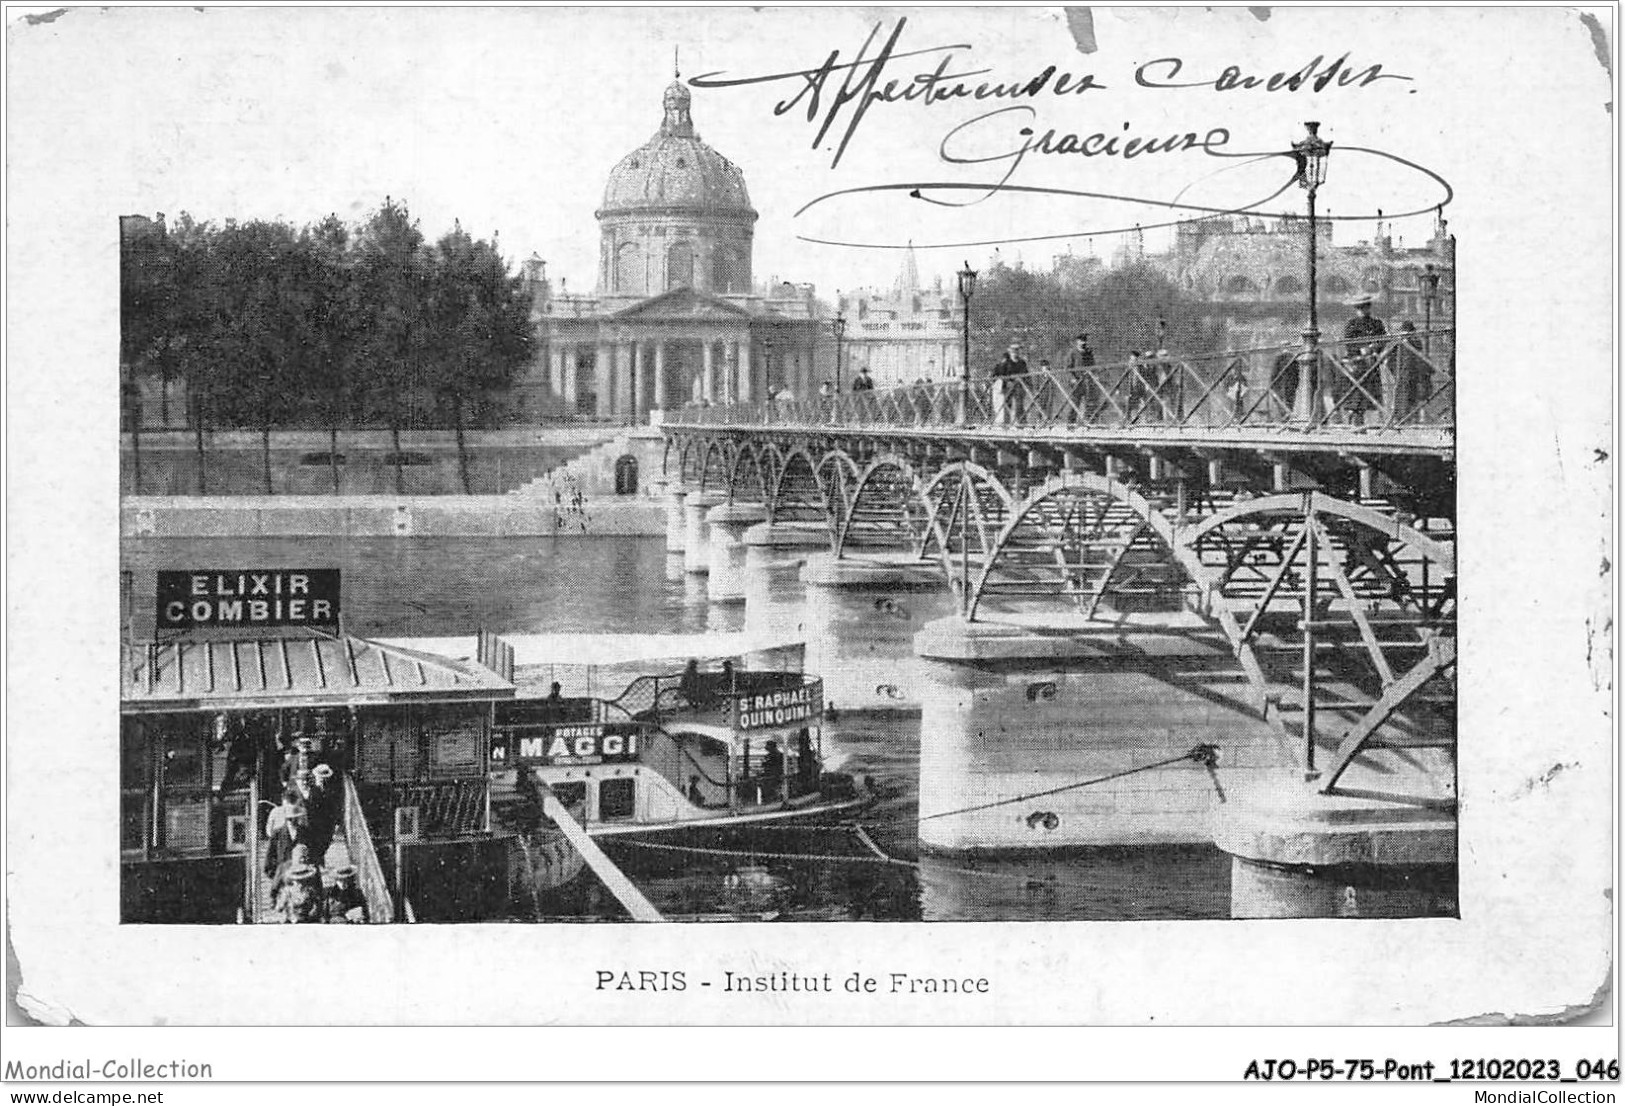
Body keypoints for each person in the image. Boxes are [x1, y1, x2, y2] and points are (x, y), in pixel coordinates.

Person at [1340, 294, 1388, 424]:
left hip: (1372, 363)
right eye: (1359, 308)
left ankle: (1366, 421)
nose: (1362, 310)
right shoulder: (1352, 324)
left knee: (1370, 395)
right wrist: (1361, 349)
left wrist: (1375, 348)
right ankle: (1356, 419)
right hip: (1357, 363)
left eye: (1365, 307)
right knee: (1357, 393)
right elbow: (1348, 343)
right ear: (1356, 309)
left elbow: (1383, 339)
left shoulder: (1377, 323)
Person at [1393, 321, 1432, 423]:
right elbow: (1391, 359)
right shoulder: (1399, 345)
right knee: (1403, 397)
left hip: (1412, 374)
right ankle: (1402, 419)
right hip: (1403, 374)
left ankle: (1411, 418)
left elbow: (1418, 355)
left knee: (1412, 397)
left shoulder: (1413, 343)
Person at [1064, 332, 1100, 423]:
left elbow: (1093, 365)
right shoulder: (1072, 352)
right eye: (1081, 341)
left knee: (1090, 402)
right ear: (1077, 342)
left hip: (1087, 381)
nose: (1083, 343)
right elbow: (1067, 368)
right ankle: (1071, 424)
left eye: (1085, 341)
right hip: (1076, 381)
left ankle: (1088, 422)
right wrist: (1072, 378)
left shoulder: (1088, 353)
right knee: (1075, 403)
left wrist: (1095, 375)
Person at [991, 343, 1028, 425]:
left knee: (1019, 405)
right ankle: (1006, 423)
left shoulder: (1022, 363)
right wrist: (1007, 381)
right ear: (1010, 351)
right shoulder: (1005, 363)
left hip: (1018, 387)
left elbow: (1026, 374)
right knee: (1007, 405)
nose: (1015, 352)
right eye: (1013, 351)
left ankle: (1020, 422)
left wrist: (1024, 382)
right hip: (1007, 387)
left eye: (1017, 350)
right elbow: (999, 374)